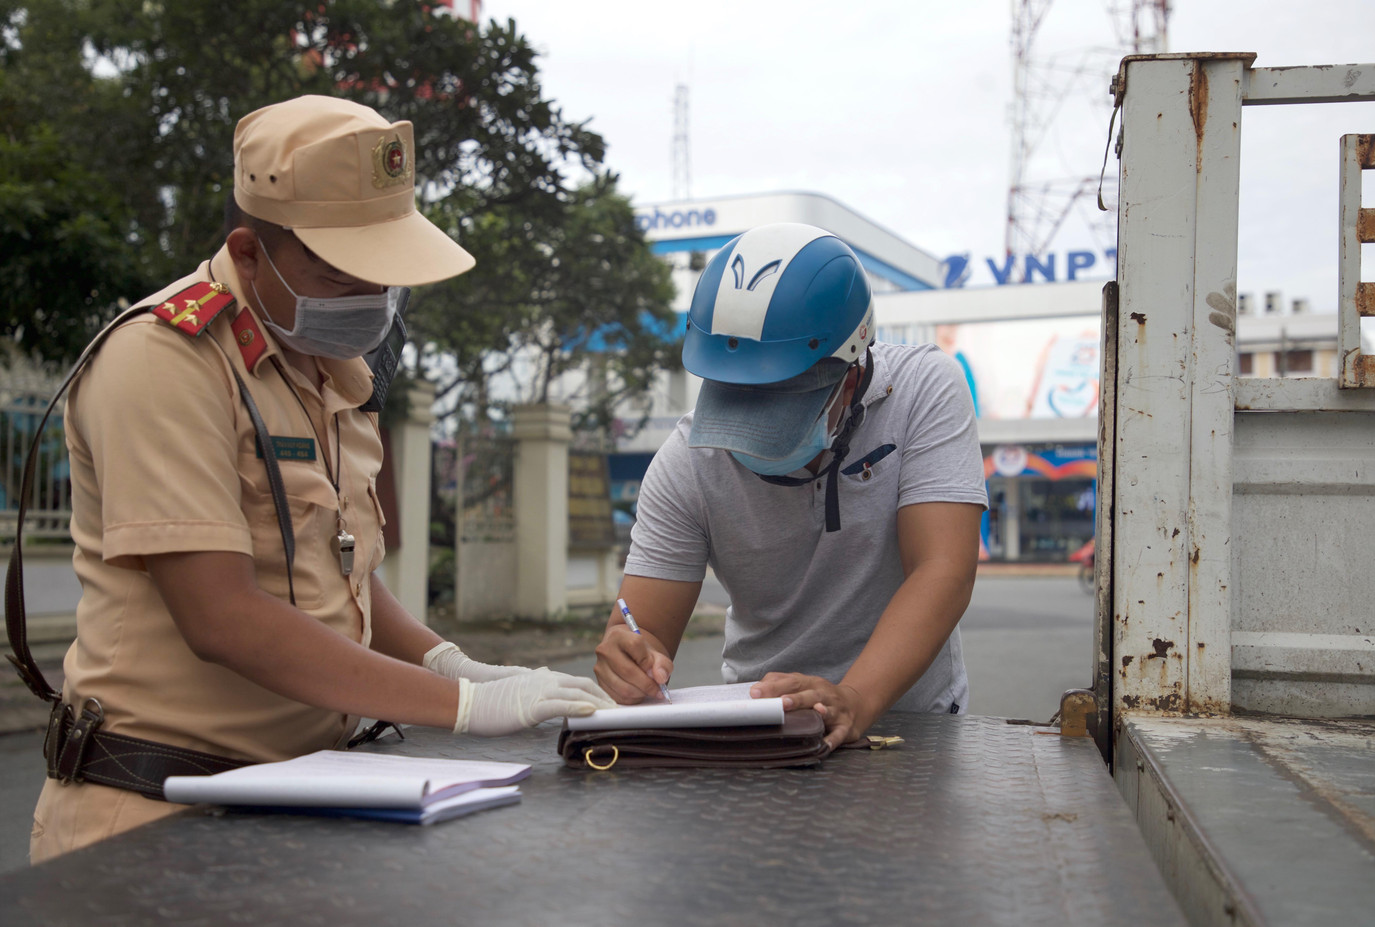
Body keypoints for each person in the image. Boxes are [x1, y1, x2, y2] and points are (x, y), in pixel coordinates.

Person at [28, 95, 611, 863]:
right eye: (343, 276)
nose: (372, 301)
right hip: (154, 818)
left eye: (387, 277)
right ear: (247, 253)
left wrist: (446, 658)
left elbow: (340, 567)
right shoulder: (167, 359)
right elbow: (222, 616)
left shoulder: (328, 369)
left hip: (302, 802)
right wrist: (463, 705)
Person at [594, 223, 987, 749]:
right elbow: (645, 630)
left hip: (912, 722)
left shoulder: (923, 392)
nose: (751, 437)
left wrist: (856, 698)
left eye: (778, 406)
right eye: (734, 399)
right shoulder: (686, 462)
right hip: (762, 723)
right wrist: (627, 654)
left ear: (849, 378)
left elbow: (943, 568)